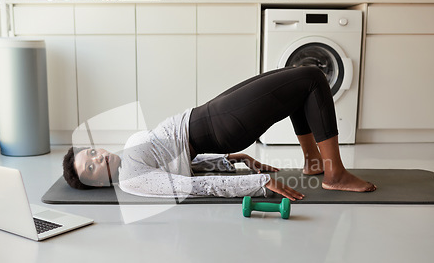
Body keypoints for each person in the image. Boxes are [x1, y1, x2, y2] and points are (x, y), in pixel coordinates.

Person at [63, 66, 376, 201]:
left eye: (90, 154)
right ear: (99, 184)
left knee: (294, 84)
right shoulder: (133, 181)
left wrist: (230, 158)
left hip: (209, 117)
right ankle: (334, 173)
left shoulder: (129, 150)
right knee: (311, 78)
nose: (96, 159)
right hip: (219, 124)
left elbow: (181, 161)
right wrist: (258, 183)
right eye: (90, 169)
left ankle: (313, 162)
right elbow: (195, 186)